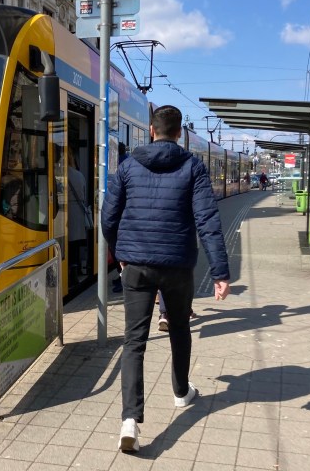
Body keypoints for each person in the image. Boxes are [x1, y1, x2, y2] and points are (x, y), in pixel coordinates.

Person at [101, 104, 231, 453]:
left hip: (137, 265)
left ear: (150, 128)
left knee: (134, 342)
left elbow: (108, 217)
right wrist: (220, 272)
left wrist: (121, 253)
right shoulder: (193, 166)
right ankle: (180, 392)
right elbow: (208, 221)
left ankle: (130, 420)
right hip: (177, 265)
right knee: (179, 329)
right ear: (179, 133)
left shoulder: (127, 166)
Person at [67, 148, 89, 282]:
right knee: (75, 245)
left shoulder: (62, 174)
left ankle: (69, 273)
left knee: (68, 244)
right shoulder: (79, 175)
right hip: (79, 212)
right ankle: (77, 270)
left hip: (67, 211)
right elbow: (85, 194)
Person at [112, 142, 130, 293]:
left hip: (120, 216)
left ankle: (123, 278)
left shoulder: (119, 165)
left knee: (118, 250)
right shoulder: (130, 162)